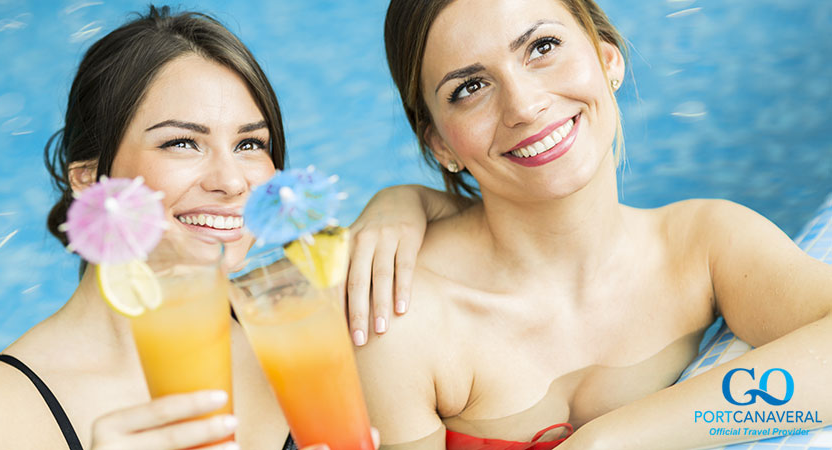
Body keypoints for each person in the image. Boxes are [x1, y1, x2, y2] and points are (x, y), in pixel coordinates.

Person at [0, 6, 449, 449]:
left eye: (250, 145)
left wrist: (403, 202)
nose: (231, 182)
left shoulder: (304, 337)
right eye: (182, 143)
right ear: (90, 181)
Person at [355, 0, 832, 448]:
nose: (524, 106)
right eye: (470, 88)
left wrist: (609, 440)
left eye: (542, 47)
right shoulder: (399, 315)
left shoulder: (700, 246)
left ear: (608, 60)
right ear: (440, 144)